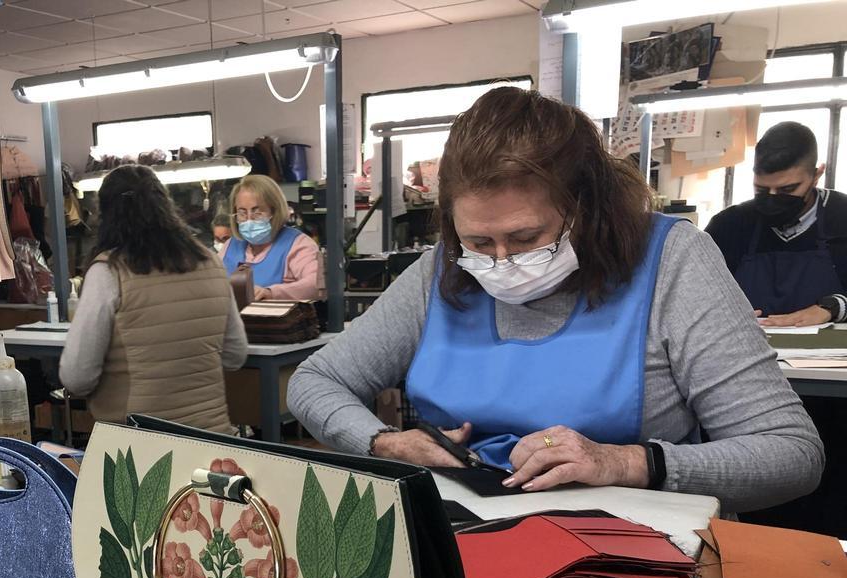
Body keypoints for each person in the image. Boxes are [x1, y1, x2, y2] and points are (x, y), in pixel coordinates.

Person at [288, 87, 824, 514]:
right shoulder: (440, 272)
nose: (500, 261)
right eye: (478, 242)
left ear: (585, 208)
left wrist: (627, 463)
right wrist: (382, 443)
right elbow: (315, 382)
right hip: (459, 541)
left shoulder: (672, 263)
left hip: (630, 553)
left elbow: (791, 453)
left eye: (525, 239)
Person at [60, 165, 247, 433]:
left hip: (139, 451)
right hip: (213, 442)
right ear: (165, 204)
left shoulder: (109, 272)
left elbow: (76, 378)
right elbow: (235, 356)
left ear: (107, 214)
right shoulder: (210, 261)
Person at [707, 121, 847, 326]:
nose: (772, 198)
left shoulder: (841, 216)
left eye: (787, 190)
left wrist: (834, 307)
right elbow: (692, 294)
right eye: (762, 190)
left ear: (816, 175)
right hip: (746, 349)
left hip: (829, 355)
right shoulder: (728, 225)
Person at [220, 174, 321, 301]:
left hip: (279, 320)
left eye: (257, 212)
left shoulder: (298, 244)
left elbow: (316, 285)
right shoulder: (230, 245)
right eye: (242, 213)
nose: (249, 219)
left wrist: (271, 293)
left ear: (274, 211)